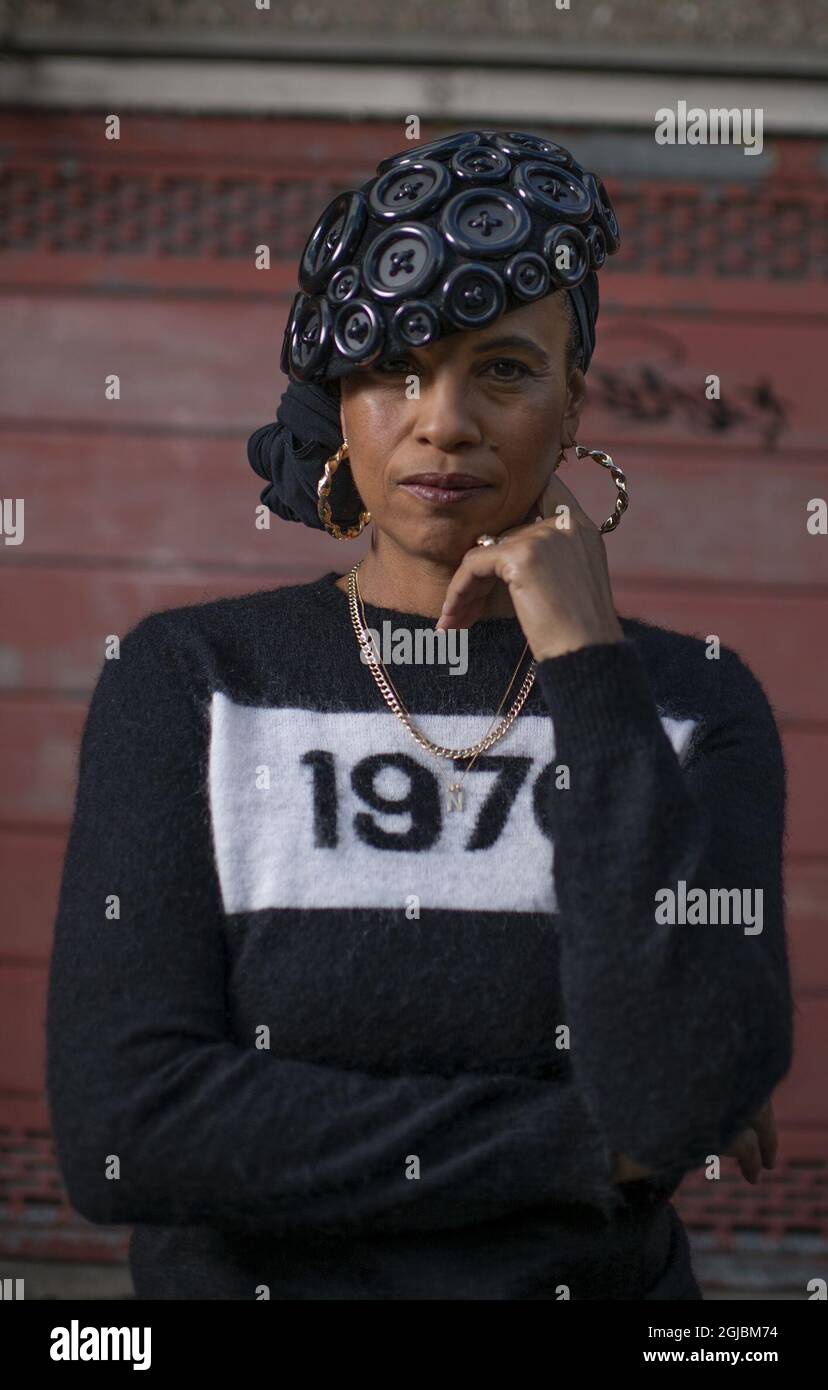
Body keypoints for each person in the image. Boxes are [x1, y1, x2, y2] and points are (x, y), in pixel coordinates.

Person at [46, 129, 792, 1300]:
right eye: (396, 367)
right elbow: (125, 1128)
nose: (443, 420)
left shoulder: (696, 704)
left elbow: (678, 1092)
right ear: (338, 398)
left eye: (503, 369)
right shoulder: (192, 683)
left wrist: (589, 668)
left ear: (573, 399)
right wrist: (584, 1145)